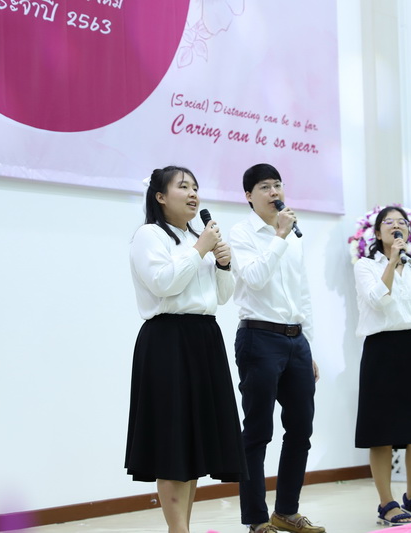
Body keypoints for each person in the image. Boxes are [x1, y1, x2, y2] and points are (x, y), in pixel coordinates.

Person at [125, 166, 247, 533]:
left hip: (204, 339)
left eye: (195, 187)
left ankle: (183, 529)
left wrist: (223, 264)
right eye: (183, 187)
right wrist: (201, 249)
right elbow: (164, 283)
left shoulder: (197, 237)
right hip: (168, 342)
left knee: (193, 445)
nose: (193, 194)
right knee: (173, 445)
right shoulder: (149, 235)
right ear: (160, 196)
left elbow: (223, 296)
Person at [229, 163, 324, 533]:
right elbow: (253, 277)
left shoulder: (293, 235)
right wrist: (279, 237)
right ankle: (255, 519)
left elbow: (303, 293)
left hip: (295, 340)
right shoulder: (241, 233)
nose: (274, 193)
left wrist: (308, 344)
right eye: (265, 187)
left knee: (301, 429)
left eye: (278, 185)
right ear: (249, 196)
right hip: (259, 338)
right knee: (257, 431)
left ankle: (286, 512)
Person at [354, 205, 411, 526]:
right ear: (378, 233)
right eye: (388, 222)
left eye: (401, 222)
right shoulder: (365, 266)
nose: (396, 226)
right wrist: (391, 261)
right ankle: (386, 502)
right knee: (381, 432)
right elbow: (377, 299)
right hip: (380, 350)